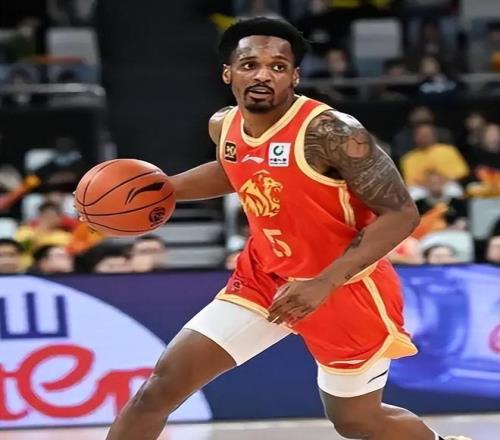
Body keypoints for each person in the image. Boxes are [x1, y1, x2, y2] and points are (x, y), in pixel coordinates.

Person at [105, 17, 468, 440]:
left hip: (344, 287)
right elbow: (235, 165)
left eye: (277, 66)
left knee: (355, 421)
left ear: (294, 76)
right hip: (264, 276)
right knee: (158, 390)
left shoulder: (333, 132)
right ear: (228, 73)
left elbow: (402, 214)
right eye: (250, 64)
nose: (263, 74)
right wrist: (161, 191)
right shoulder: (224, 124)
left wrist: (324, 282)